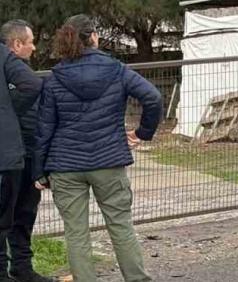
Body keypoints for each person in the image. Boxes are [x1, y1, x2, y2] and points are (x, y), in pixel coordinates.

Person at [35, 15, 162, 282]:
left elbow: (44, 127)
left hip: (65, 165)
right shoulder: (117, 70)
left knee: (76, 231)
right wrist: (142, 133)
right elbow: (153, 96)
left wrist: (39, 170)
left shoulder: (55, 78)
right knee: (120, 224)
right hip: (108, 160)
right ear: (93, 37)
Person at [0, 21, 52, 282]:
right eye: (30, 42)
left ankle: (22, 266)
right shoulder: (8, 66)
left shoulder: (19, 71)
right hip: (8, 155)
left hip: (29, 153)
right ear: (17, 44)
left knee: (25, 213)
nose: (34, 47)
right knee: (4, 215)